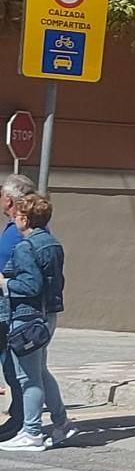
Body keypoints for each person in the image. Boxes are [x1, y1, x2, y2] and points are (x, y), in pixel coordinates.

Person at [0, 192, 76, 452]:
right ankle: (62, 422)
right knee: (41, 371)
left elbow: (30, 285)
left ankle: (31, 432)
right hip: (47, 314)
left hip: (27, 316)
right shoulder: (52, 243)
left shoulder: (25, 247)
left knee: (28, 378)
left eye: (18, 216)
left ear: (24, 219)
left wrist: (5, 282)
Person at [0, 174, 35, 440]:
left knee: (13, 363)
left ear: (9, 200)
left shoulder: (17, 233)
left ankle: (22, 419)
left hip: (8, 304)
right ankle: (20, 415)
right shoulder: (17, 229)